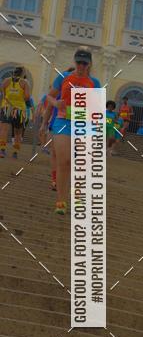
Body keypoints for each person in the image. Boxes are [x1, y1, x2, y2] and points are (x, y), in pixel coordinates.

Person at [46, 48, 101, 215]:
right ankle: (61, 201)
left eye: (85, 63)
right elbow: (49, 96)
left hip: (84, 122)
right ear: (74, 61)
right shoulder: (63, 77)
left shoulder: (95, 83)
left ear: (89, 64)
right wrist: (56, 104)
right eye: (79, 62)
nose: (81, 66)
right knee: (64, 161)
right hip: (63, 121)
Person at [40, 66, 75, 190]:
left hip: (74, 126)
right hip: (56, 123)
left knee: (68, 156)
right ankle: (55, 180)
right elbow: (49, 107)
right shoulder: (58, 92)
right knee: (55, 153)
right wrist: (44, 124)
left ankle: (62, 179)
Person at [0, 67, 33, 159]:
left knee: (4, 129)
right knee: (18, 132)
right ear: (22, 74)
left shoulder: (6, 81)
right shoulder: (24, 83)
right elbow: (27, 97)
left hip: (7, 107)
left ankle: (2, 150)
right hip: (19, 110)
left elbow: (2, 93)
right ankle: (15, 152)